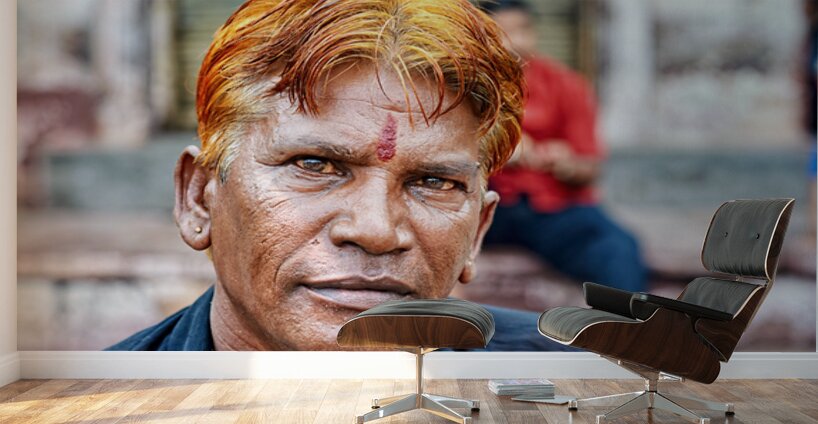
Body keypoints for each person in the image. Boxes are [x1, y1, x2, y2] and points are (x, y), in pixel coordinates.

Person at [108, 0, 570, 351]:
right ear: (198, 198)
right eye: (314, 165)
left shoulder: (577, 387)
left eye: (434, 183)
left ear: (478, 232)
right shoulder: (95, 406)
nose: (376, 231)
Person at [480, 0, 647, 292]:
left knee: (617, 248)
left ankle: (626, 321)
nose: (514, 42)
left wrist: (565, 164)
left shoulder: (565, 84)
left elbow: (589, 169)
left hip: (551, 208)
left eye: (522, 30)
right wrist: (497, 148)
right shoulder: (465, 85)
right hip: (484, 206)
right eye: (501, 33)